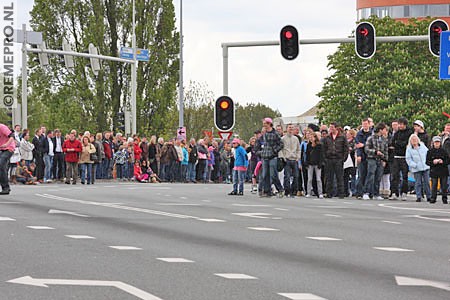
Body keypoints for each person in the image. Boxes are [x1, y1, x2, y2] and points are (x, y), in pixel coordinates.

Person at [256, 118, 284, 198]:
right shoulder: (264, 134)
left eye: (265, 123)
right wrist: (261, 152)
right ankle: (267, 191)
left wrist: (274, 151)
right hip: (265, 156)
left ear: (269, 124)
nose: (264, 125)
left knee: (273, 174)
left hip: (273, 156)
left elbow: (281, 144)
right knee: (265, 175)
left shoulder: (275, 133)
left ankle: (280, 189)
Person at [363, 123, 389, 200]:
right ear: (380, 130)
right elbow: (366, 149)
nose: (385, 131)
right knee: (370, 175)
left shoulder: (384, 139)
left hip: (380, 160)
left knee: (378, 177)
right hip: (372, 158)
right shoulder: (371, 138)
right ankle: (366, 192)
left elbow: (386, 150)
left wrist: (385, 160)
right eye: (384, 129)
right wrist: (375, 152)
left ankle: (376, 193)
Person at [322, 123, 349, 198]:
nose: (331, 129)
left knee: (339, 177)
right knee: (329, 177)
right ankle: (329, 193)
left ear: (336, 128)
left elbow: (346, 148)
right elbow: (324, 149)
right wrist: (325, 159)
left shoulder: (342, 137)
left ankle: (341, 193)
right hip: (329, 159)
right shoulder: (327, 137)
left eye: (332, 127)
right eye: (330, 127)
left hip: (338, 159)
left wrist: (343, 158)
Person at [390, 117, 413, 200]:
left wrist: (398, 144)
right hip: (396, 157)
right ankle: (394, 193)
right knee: (394, 176)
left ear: (405, 124)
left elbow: (407, 144)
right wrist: (399, 144)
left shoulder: (410, 133)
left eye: (401, 124)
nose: (399, 126)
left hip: (405, 157)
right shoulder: (397, 133)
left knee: (404, 176)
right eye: (398, 124)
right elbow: (392, 143)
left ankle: (404, 192)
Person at [406, 134, 431, 202]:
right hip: (416, 168)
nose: (414, 141)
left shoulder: (422, 146)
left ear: (418, 140)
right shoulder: (409, 149)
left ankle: (429, 196)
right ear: (410, 141)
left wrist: (428, 162)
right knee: (418, 183)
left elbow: (428, 153)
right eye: (412, 140)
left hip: (425, 167)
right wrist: (414, 165)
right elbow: (408, 159)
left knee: (427, 182)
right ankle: (419, 196)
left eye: (415, 139)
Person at [280, 124, 301, 198]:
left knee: (296, 176)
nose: (291, 129)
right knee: (287, 176)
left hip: (294, 159)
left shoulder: (296, 139)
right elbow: (281, 149)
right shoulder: (283, 139)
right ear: (287, 129)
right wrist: (283, 157)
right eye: (289, 128)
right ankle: (287, 191)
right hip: (287, 159)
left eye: (292, 128)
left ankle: (293, 191)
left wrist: (298, 157)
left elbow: (298, 149)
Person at [426, 136, 449, 204]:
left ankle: (444, 198)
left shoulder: (444, 151)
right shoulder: (430, 151)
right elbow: (427, 162)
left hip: (443, 170)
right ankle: (433, 198)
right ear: (433, 143)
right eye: (435, 142)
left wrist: (442, 161)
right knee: (434, 185)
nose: (437, 144)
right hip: (434, 171)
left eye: (438, 142)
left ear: (440, 143)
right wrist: (433, 162)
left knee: (444, 186)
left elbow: (448, 160)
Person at [355, 118, 373, 198]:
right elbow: (358, 145)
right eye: (363, 124)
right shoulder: (359, 134)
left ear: (369, 124)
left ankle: (368, 192)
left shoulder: (372, 133)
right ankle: (359, 192)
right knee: (361, 175)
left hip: (370, 156)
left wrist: (364, 145)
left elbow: (372, 145)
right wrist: (358, 156)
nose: (365, 126)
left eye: (366, 124)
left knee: (369, 175)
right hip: (362, 156)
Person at [305, 132, 324, 198]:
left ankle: (320, 192)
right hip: (310, 164)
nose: (311, 139)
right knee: (309, 179)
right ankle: (308, 192)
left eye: (312, 137)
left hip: (317, 164)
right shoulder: (308, 145)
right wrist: (306, 163)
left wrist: (320, 164)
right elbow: (307, 155)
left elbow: (321, 155)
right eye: (310, 137)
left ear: (315, 138)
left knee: (318, 179)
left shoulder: (319, 145)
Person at [0, 123, 15, 194]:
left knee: (1, 164)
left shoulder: (2, 127)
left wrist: (6, 144)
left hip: (9, 148)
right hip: (1, 149)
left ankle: (6, 188)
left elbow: (12, 136)